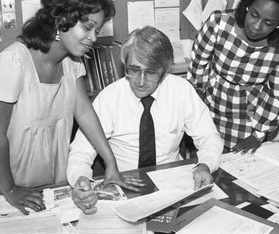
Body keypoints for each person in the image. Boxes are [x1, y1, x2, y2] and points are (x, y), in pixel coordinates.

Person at [0, 0, 139, 215]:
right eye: (87, 27)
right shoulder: (13, 62)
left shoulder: (72, 63)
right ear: (60, 21)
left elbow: (84, 112)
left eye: (98, 30)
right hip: (1, 177)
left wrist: (111, 163)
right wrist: (11, 189)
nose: (94, 38)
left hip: (42, 174)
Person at [67, 26, 223, 214]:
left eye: (150, 72)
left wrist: (205, 164)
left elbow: (209, 137)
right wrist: (81, 179)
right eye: (134, 70)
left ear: (165, 70)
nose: (140, 81)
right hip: (123, 184)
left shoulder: (181, 90)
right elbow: (80, 152)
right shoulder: (109, 98)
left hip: (172, 184)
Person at [187, 0, 279, 155]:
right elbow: (198, 65)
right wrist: (197, 103)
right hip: (208, 104)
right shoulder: (218, 24)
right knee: (205, 158)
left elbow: (277, 94)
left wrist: (258, 134)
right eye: (254, 14)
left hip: (249, 118)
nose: (256, 26)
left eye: (268, 22)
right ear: (246, 6)